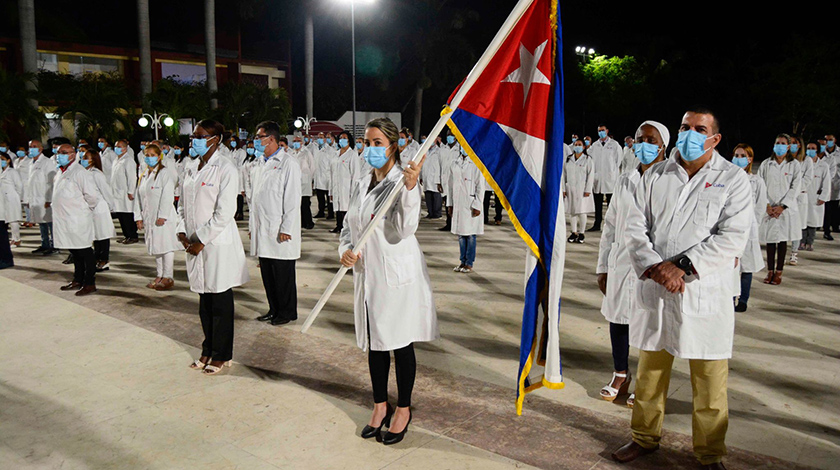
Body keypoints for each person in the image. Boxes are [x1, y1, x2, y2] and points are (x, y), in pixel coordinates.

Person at [612, 108, 752, 470]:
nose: (690, 134)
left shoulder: (733, 179)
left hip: (701, 292)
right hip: (658, 288)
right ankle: (644, 438)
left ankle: (709, 454)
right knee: (649, 376)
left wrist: (683, 268)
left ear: (714, 138)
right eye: (685, 127)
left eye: (699, 129)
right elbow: (633, 226)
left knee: (709, 384)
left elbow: (732, 237)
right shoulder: (656, 174)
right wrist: (657, 267)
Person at [339, 117, 438, 445]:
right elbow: (348, 226)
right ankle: (380, 404)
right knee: (375, 342)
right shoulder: (361, 181)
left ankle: (404, 408)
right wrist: (345, 250)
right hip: (367, 274)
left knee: (399, 341)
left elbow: (407, 227)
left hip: (395, 275)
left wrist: (411, 188)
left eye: (377, 143)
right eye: (367, 143)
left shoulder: (401, 181)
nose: (370, 149)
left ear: (394, 146)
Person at [596, 121, 669, 407]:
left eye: (650, 140)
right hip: (620, 263)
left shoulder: (671, 181)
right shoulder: (625, 178)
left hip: (653, 266)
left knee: (649, 323)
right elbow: (611, 225)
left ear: (663, 145)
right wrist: (603, 266)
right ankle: (620, 374)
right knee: (618, 319)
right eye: (640, 139)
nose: (643, 144)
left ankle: (645, 381)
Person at [177, 119, 249, 375]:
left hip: (215, 244)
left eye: (199, 136)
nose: (193, 140)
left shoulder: (226, 168)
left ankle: (222, 354)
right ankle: (207, 348)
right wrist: (181, 231)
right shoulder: (190, 166)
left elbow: (225, 212)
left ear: (214, 139)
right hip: (193, 243)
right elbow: (182, 204)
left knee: (219, 302)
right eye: (193, 136)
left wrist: (201, 240)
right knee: (204, 301)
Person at [250, 121, 302, 326]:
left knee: (283, 275)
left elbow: (292, 199)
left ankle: (287, 312)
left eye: (259, 137)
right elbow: (257, 198)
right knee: (268, 274)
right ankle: (273, 308)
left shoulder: (288, 163)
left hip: (280, 230)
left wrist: (286, 228)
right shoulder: (260, 163)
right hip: (263, 228)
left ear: (271, 139)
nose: (256, 141)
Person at [52, 144, 100, 296]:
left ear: (73, 155)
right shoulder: (61, 171)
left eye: (64, 152)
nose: (60, 155)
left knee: (84, 251)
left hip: (77, 218)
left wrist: (83, 210)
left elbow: (92, 196)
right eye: (58, 152)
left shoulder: (80, 172)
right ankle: (77, 279)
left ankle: (90, 282)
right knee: (75, 251)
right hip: (64, 218)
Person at [134, 144, 180, 290]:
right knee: (156, 246)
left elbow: (167, 195)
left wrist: (163, 215)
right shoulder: (144, 174)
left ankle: (168, 276)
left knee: (166, 246)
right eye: (147, 155)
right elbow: (138, 197)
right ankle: (159, 274)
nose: (149, 158)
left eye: (153, 155)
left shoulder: (164, 173)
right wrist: (138, 217)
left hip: (162, 217)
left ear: (159, 156)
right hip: (149, 216)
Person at [758, 134, 801, 286]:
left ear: (788, 147)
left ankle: (779, 272)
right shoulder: (765, 164)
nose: (780, 146)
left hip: (784, 210)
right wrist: (767, 205)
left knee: (782, 241)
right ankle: (770, 271)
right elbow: (760, 185)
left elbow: (795, 187)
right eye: (777, 143)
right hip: (769, 208)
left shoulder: (794, 165)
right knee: (770, 241)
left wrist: (782, 206)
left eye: (783, 143)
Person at [730, 144, 766, 312]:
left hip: (749, 228)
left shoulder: (757, 181)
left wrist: (754, 225)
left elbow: (760, 206)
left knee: (746, 267)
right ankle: (730, 297)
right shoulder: (728, 178)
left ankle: (743, 299)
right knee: (730, 266)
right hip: (730, 227)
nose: (738, 158)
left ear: (750, 159)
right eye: (736, 155)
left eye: (742, 155)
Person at [79, 146, 117, 272]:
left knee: (103, 235)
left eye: (86, 158)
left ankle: (104, 260)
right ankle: (96, 259)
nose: (83, 159)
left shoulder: (97, 174)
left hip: (100, 208)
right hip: (90, 209)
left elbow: (106, 191)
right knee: (96, 235)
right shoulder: (85, 172)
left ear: (93, 160)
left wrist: (111, 207)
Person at [448, 146, 484, 273]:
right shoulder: (455, 163)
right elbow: (450, 185)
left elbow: (480, 186)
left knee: (470, 235)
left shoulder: (475, 163)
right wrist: (450, 204)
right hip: (458, 203)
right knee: (461, 235)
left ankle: (469, 263)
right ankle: (462, 262)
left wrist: (477, 205)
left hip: (470, 204)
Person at [25, 140, 58, 255]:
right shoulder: (31, 163)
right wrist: (28, 199)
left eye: (34, 146)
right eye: (30, 147)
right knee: (41, 222)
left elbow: (51, 182)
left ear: (40, 149)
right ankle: (45, 244)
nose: (32, 149)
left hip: (44, 198)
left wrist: (49, 199)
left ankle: (54, 245)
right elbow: (30, 182)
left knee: (49, 222)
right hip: (35, 197)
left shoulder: (47, 162)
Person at [587, 125, 622, 232]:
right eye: (599, 131)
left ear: (607, 130)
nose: (601, 132)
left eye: (603, 130)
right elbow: (590, 159)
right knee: (598, 204)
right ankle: (597, 224)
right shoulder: (595, 145)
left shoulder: (614, 145)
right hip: (598, 178)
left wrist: (612, 172)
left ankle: (611, 225)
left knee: (611, 204)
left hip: (610, 178)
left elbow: (618, 160)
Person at [563, 139, 595, 243]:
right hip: (570, 188)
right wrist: (563, 189)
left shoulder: (587, 159)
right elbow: (563, 175)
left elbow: (591, 175)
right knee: (572, 212)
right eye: (576, 145)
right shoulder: (568, 159)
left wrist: (588, 189)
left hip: (582, 189)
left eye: (580, 145)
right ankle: (573, 232)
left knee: (582, 211)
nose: (577, 146)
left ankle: (581, 233)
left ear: (584, 147)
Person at [803, 143, 831, 251]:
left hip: (815, 197)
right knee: (803, 220)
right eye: (808, 148)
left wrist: (823, 196)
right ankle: (802, 241)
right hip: (804, 196)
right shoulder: (802, 163)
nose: (810, 150)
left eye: (813, 149)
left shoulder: (823, 166)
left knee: (813, 221)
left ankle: (810, 242)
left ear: (817, 150)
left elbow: (826, 182)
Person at [110, 140, 139, 244]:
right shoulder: (116, 160)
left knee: (127, 216)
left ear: (125, 148)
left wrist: (131, 191)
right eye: (116, 146)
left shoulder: (128, 161)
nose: (117, 148)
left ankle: (133, 235)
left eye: (119, 146)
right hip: (117, 193)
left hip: (126, 193)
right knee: (121, 215)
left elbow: (132, 177)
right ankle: (126, 235)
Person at [788, 136, 810, 265]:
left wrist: (795, 189)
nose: (792, 145)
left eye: (794, 143)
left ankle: (794, 253)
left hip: (800, 196)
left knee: (797, 227)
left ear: (800, 145)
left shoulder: (806, 161)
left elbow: (807, 179)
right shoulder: (786, 160)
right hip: (786, 197)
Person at [330, 132, 355, 233]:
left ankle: (346, 229)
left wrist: (353, 192)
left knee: (346, 209)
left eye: (344, 138)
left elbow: (355, 175)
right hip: (336, 186)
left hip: (347, 187)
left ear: (349, 140)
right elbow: (332, 174)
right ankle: (338, 226)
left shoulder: (352, 155)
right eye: (340, 138)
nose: (342, 140)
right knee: (338, 208)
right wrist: (331, 191)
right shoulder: (336, 154)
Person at [290, 135, 316, 230]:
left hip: (305, 182)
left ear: (301, 142)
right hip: (295, 182)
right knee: (297, 204)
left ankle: (309, 222)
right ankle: (301, 222)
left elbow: (312, 166)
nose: (296, 142)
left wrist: (309, 178)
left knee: (305, 204)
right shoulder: (291, 153)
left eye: (298, 141)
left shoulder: (306, 153)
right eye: (294, 141)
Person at [0, 152, 23, 248]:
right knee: (5, 219)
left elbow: (19, 186)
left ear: (8, 160)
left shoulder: (12, 172)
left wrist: (17, 197)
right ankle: (11, 239)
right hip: (2, 199)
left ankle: (16, 239)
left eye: (2, 159)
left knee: (13, 220)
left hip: (12, 198)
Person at [438, 134, 459, 231]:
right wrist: (438, 182)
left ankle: (456, 224)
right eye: (448, 135)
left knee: (456, 203)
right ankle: (449, 223)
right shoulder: (442, 149)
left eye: (451, 135)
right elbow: (439, 166)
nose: (449, 137)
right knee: (447, 203)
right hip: (445, 181)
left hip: (456, 181)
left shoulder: (459, 149)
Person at [313, 132, 335, 220]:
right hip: (318, 178)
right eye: (318, 137)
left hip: (327, 178)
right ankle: (320, 212)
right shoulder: (317, 149)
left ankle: (331, 213)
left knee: (329, 198)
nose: (320, 139)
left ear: (325, 139)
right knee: (320, 198)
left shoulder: (331, 151)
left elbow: (332, 165)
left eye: (321, 137)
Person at [823, 134, 840, 240]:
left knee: (835, 206)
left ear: (835, 140)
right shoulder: (821, 152)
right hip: (824, 183)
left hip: (837, 182)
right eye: (826, 140)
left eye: (830, 140)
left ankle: (835, 225)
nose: (828, 142)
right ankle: (826, 229)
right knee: (826, 208)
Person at [421, 139, 442, 219]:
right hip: (426, 176)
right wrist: (421, 176)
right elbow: (422, 164)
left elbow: (441, 165)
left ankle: (437, 213)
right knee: (428, 196)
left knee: (436, 196)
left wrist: (440, 179)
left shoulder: (439, 151)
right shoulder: (425, 150)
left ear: (436, 140)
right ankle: (430, 212)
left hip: (435, 177)